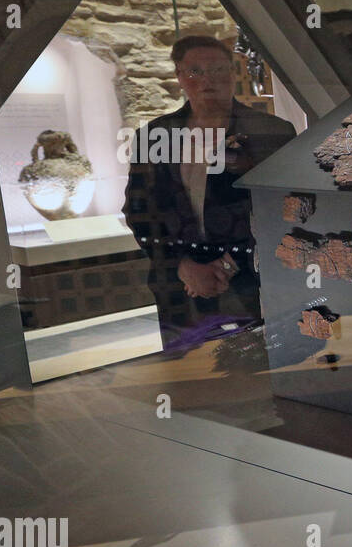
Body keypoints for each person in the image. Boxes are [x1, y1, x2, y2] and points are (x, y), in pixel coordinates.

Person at [124, 35, 295, 350]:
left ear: (232, 72)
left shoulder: (272, 132)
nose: (207, 79)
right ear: (179, 77)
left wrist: (227, 266)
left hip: (253, 282)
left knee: (259, 375)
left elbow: (281, 210)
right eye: (194, 71)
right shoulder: (153, 137)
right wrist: (183, 267)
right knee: (192, 380)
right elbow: (139, 211)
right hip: (180, 289)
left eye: (217, 69)